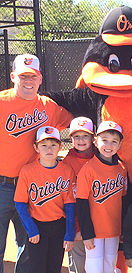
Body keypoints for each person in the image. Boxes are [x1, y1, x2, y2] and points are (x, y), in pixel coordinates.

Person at [0, 54, 72, 273]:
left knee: (29, 247)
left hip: (34, 188)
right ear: (13, 77)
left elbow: (74, 122)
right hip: (1, 185)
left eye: (33, 76)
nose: (28, 81)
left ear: (40, 79)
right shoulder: (2, 102)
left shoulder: (48, 107)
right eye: (23, 76)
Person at [14, 126, 75, 273]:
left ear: (60, 146)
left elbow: (70, 204)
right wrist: (31, 229)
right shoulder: (27, 171)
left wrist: (70, 232)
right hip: (37, 226)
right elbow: (20, 202)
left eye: (53, 145)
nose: (49, 149)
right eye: (44, 145)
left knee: (54, 267)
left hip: (58, 226)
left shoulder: (66, 171)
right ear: (36, 147)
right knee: (37, 268)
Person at [76, 120, 127, 273]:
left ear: (119, 145)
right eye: (104, 140)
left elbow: (123, 201)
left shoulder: (122, 168)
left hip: (114, 229)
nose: (109, 145)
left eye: (114, 141)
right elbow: (81, 203)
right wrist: (87, 233)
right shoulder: (88, 169)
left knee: (109, 266)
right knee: (94, 268)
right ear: (96, 142)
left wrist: (123, 229)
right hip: (95, 232)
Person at [63, 117, 95, 273]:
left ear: (93, 138)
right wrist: (75, 227)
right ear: (71, 139)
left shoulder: (102, 158)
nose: (81, 140)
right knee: (78, 266)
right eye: (77, 136)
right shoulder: (66, 164)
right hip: (76, 224)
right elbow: (68, 200)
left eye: (85, 136)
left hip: (98, 223)